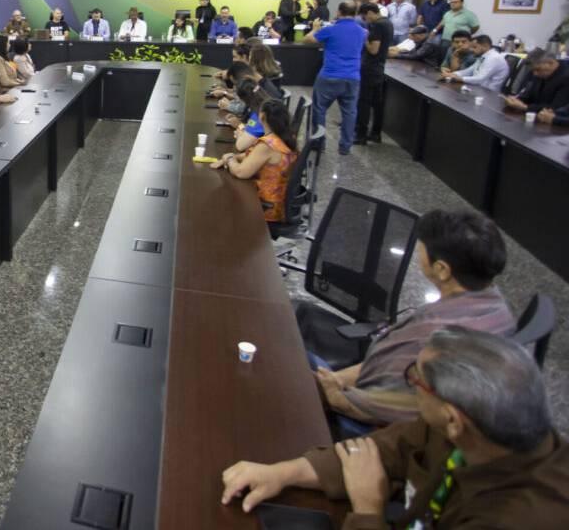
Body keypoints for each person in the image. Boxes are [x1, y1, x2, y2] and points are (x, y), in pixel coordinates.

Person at [220, 327, 569, 529]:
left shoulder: (522, 516)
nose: (410, 384)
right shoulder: (471, 428)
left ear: (453, 418)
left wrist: (368, 509)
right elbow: (389, 448)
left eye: (416, 380)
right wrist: (284, 472)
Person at [304, 209, 514, 430]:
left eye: (421, 249)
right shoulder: (496, 309)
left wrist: (336, 397)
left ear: (441, 269)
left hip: (370, 430)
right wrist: (336, 379)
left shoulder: (431, 339)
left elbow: (386, 409)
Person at [210, 99, 297, 222]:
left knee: (219, 203)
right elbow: (251, 156)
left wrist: (229, 159)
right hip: (278, 203)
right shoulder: (285, 137)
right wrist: (234, 157)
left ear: (262, 117)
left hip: (266, 207)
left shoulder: (268, 145)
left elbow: (241, 172)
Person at [304, 1, 367, 155]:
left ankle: (319, 144)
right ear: (355, 13)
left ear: (339, 12)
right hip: (352, 77)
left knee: (320, 109)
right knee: (350, 112)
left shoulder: (331, 30)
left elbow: (307, 40)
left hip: (329, 75)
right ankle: (345, 147)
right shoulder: (363, 32)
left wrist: (315, 29)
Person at [355, 3, 393, 145]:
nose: (366, 20)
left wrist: (364, 38)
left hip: (370, 68)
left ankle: (361, 135)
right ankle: (376, 133)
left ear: (371, 12)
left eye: (366, 17)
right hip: (379, 67)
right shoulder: (388, 23)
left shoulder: (377, 25)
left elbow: (373, 50)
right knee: (377, 103)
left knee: (364, 102)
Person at [504, 49, 569, 119]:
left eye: (538, 69)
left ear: (551, 62)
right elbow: (528, 94)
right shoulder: (537, 73)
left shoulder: (566, 77)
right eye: (533, 70)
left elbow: (557, 108)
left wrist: (525, 107)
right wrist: (517, 100)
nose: (535, 74)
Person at [442, 35, 508, 92]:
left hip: (489, 94)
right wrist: (451, 74)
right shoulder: (483, 56)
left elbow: (480, 78)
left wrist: (459, 78)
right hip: (478, 89)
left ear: (485, 46)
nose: (471, 50)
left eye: (474, 47)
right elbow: (469, 71)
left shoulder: (494, 58)